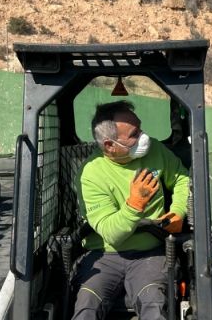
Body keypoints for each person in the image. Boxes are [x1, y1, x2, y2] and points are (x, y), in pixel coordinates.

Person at [72, 100, 189, 320]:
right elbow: (110, 233)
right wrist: (135, 205)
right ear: (109, 145)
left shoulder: (155, 150)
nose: (144, 137)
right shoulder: (90, 174)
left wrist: (178, 211)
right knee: (86, 306)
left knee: (154, 304)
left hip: (150, 253)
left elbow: (182, 178)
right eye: (134, 134)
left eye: (141, 128)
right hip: (104, 255)